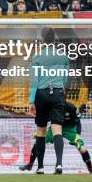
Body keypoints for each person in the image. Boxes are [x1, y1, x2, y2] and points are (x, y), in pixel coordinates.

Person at [28, 27, 69, 174]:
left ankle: (40, 167)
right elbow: (65, 78)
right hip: (58, 93)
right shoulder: (63, 56)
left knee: (41, 131)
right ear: (55, 39)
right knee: (57, 129)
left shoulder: (38, 57)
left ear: (42, 39)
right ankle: (59, 164)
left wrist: (31, 101)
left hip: (42, 94)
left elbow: (34, 81)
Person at [21, 101, 92, 173]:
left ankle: (90, 169)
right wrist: (40, 129)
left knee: (82, 149)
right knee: (38, 141)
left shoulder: (71, 107)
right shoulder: (51, 108)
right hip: (55, 127)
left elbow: (78, 121)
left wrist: (78, 135)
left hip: (70, 129)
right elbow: (46, 119)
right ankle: (30, 165)